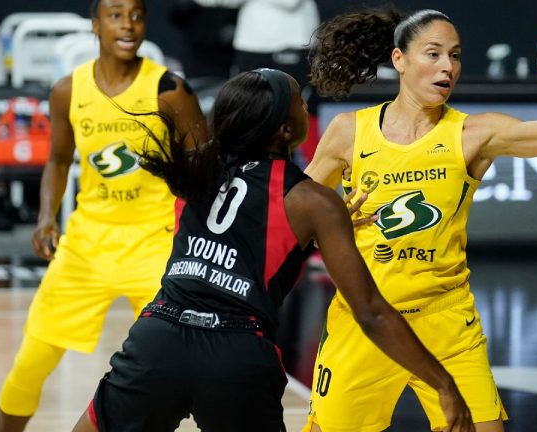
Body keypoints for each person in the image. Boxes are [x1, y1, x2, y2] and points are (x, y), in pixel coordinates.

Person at [302, 9, 537, 432]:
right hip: (365, 320)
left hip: (444, 321)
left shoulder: (476, 134)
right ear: (399, 59)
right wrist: (328, 229)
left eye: (456, 56)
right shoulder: (350, 131)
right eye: (434, 53)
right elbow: (295, 213)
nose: (448, 66)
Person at [69, 68, 474, 432]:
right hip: (237, 355)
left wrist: (317, 231)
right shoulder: (312, 202)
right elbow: (369, 312)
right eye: (299, 100)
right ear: (284, 129)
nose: (305, 106)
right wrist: (444, 383)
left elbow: (241, 222)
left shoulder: (195, 167)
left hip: (161, 338)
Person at [0, 1, 207, 431]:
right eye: (115, 16)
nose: (127, 25)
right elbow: (56, 162)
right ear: (95, 26)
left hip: (155, 244)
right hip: (86, 247)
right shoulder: (68, 90)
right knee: (30, 364)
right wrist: (45, 219)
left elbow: (205, 165)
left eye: (136, 15)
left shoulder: (169, 89)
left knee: (177, 367)